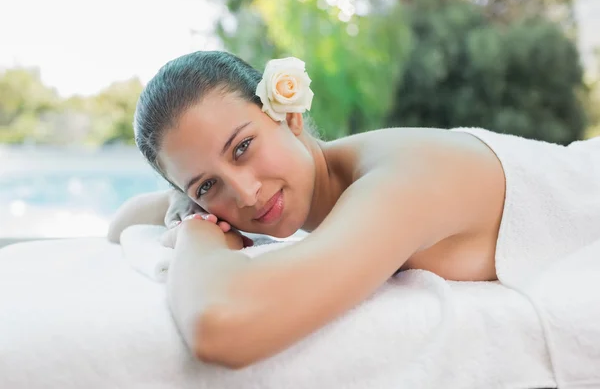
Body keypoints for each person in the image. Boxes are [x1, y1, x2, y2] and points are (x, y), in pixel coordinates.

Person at [108, 50, 600, 369]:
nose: (246, 193)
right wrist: (186, 202)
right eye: (208, 185)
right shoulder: (333, 184)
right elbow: (125, 221)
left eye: (242, 148)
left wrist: (198, 234)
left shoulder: (402, 182)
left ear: (289, 113)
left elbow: (221, 327)